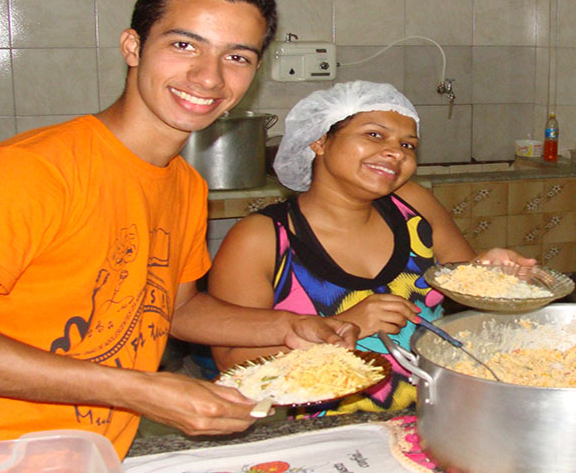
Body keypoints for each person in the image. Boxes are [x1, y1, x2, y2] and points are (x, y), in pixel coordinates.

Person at [0, 0, 357, 459]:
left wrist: (287, 326)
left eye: (236, 57)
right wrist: (138, 390)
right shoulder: (36, 170)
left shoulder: (184, 185)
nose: (208, 78)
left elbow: (176, 309)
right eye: (184, 45)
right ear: (133, 47)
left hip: (88, 463)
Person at [209, 80, 533, 415]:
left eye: (408, 145)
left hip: (437, 415)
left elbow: (464, 283)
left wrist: (490, 269)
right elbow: (232, 363)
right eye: (375, 135)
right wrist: (346, 325)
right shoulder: (261, 239)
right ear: (319, 141)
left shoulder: (413, 205)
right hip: (326, 430)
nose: (397, 152)